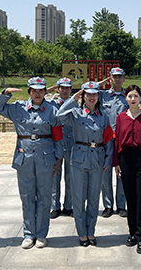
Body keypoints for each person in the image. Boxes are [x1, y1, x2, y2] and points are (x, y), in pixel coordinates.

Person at [0, 77, 63, 249]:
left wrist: (58, 159)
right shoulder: (18, 108)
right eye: (34, 90)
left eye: (41, 90)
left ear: (46, 92)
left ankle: (41, 234)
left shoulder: (53, 110)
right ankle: (29, 234)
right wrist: (5, 93)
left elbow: (58, 136)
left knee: (45, 198)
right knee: (27, 197)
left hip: (46, 158)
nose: (37, 93)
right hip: (24, 158)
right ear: (29, 92)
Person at [55, 81, 114, 247]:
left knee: (94, 198)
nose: (91, 97)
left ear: (98, 96)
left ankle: (91, 231)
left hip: (98, 159)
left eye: (95, 94)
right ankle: (82, 233)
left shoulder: (104, 116)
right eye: (88, 94)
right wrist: (73, 98)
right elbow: (59, 115)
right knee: (79, 199)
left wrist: (108, 159)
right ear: (83, 96)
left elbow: (109, 139)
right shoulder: (75, 113)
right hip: (79, 158)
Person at [113, 84, 141, 254]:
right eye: (130, 96)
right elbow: (116, 141)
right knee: (130, 197)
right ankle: (132, 232)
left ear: (140, 98)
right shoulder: (120, 118)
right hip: (125, 159)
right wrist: (116, 162)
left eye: (136, 96)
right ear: (125, 98)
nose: (133, 99)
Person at [97, 67, 128, 218]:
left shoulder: (127, 96)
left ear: (124, 78)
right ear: (110, 78)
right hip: (106, 137)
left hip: (122, 138)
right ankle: (108, 205)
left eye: (119, 77)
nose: (116, 79)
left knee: (121, 171)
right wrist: (102, 83)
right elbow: (87, 89)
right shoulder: (103, 95)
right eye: (113, 77)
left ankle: (121, 204)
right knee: (106, 170)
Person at [46, 77, 75, 218]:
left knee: (70, 177)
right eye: (62, 88)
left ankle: (69, 206)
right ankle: (54, 206)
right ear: (58, 89)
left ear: (71, 90)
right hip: (55, 144)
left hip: (71, 144)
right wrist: (49, 90)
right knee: (54, 176)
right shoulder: (51, 104)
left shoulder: (75, 104)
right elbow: (38, 96)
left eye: (67, 88)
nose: (64, 90)